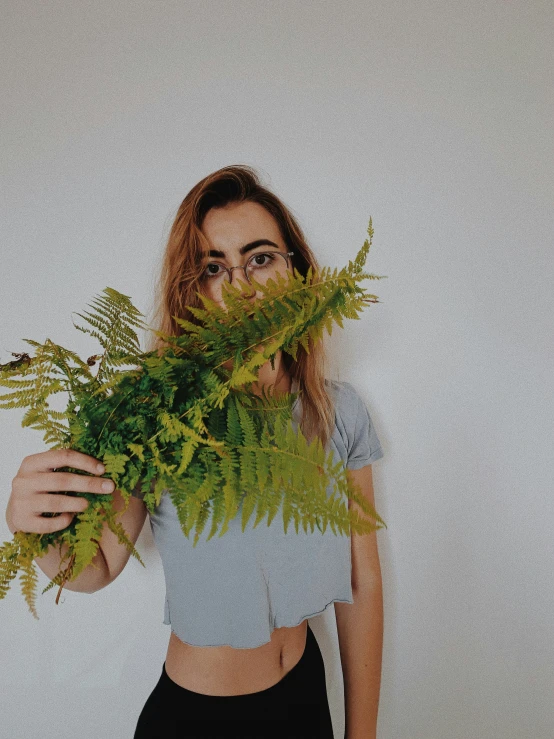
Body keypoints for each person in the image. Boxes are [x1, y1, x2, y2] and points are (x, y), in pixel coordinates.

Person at [5, 165, 385, 738]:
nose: (241, 285)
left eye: (261, 257)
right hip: (199, 719)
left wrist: (363, 734)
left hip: (308, 698)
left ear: (296, 270)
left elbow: (362, 583)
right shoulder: (159, 413)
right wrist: (35, 533)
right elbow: (96, 566)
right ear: (192, 289)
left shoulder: (338, 411)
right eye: (213, 267)